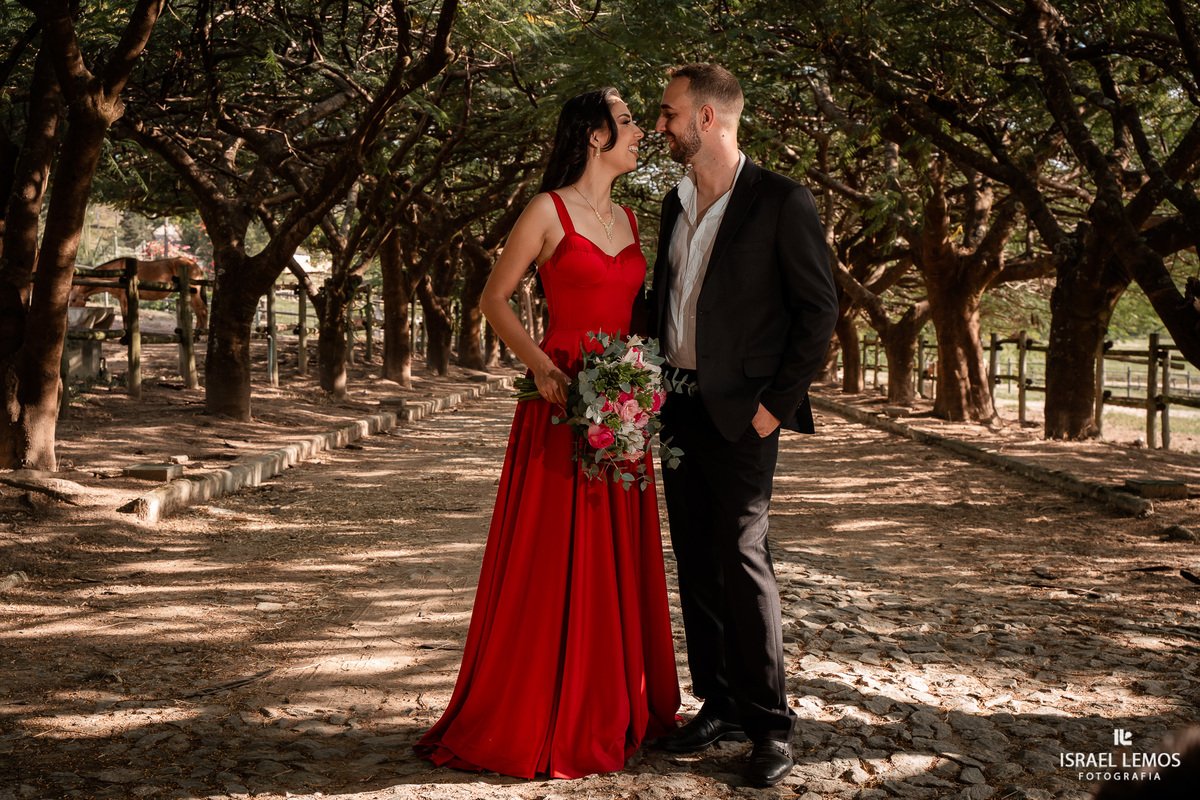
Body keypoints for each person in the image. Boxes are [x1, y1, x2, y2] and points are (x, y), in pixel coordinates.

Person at [414, 88, 680, 779]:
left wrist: (640, 383)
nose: (639, 133)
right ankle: (541, 709)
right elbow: (494, 298)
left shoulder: (629, 216)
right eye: (626, 123)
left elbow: (636, 314)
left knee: (615, 550)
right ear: (594, 136)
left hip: (620, 403)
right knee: (553, 552)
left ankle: (612, 702)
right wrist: (540, 364)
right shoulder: (546, 209)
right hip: (559, 397)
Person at [647, 63, 839, 787]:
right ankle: (719, 704)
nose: (658, 124)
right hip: (676, 405)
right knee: (695, 559)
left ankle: (770, 726)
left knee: (741, 557)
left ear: (706, 119)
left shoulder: (783, 200)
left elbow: (818, 312)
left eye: (667, 113)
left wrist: (772, 407)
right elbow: (666, 301)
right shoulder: (675, 201)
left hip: (745, 414)